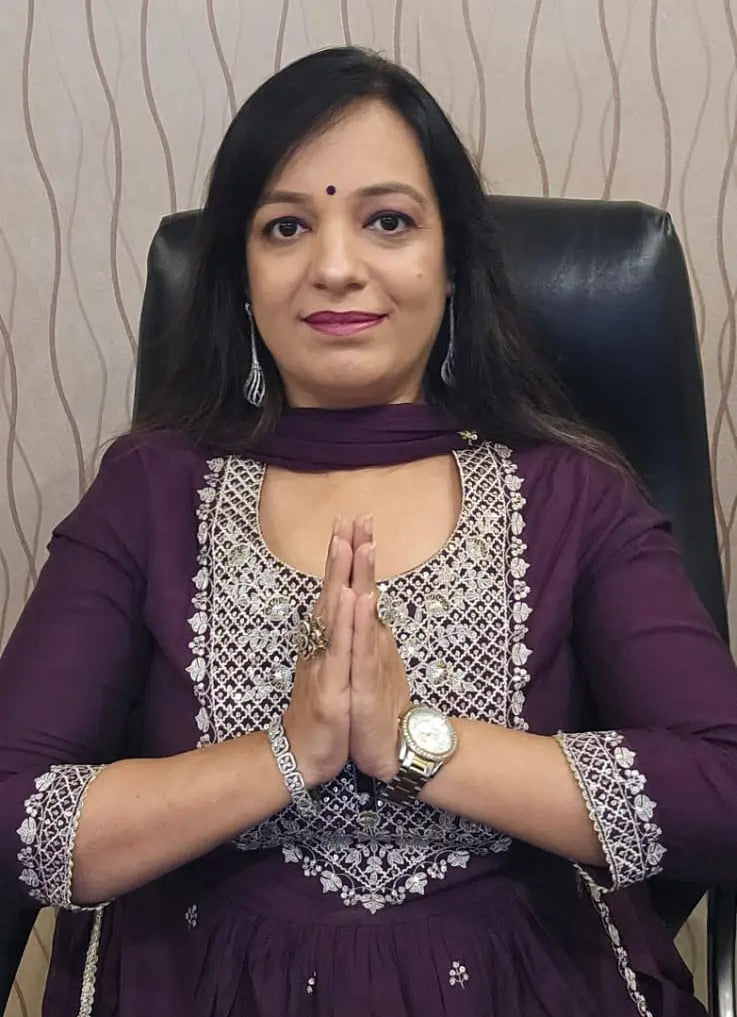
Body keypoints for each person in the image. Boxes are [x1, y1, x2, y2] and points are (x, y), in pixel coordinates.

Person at [0, 44, 736, 1017]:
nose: (335, 267)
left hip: (522, 985)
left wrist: (415, 743)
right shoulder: (150, 491)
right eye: (285, 226)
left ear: (453, 263)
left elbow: (718, 793)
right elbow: (14, 813)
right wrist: (284, 752)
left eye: (386, 221)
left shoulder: (571, 493)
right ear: (240, 274)